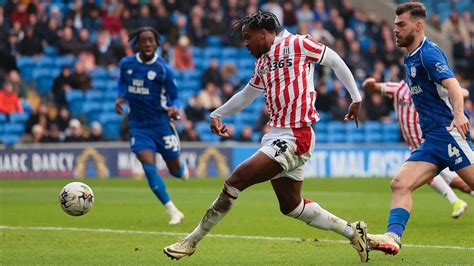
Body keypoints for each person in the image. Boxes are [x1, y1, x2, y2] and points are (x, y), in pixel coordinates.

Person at [164, 11, 369, 262]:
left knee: (236, 180)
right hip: (277, 135)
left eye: (248, 38)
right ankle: (353, 231)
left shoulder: (297, 43)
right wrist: (217, 113)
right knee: (292, 206)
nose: (246, 43)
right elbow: (246, 95)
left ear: (263, 33)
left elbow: (335, 60)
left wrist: (356, 98)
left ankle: (191, 241)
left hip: (296, 135)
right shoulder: (262, 62)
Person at [367, 3, 474, 256]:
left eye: (401, 25)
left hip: (449, 134)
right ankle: (393, 237)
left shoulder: (429, 54)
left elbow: (453, 85)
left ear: (418, 25)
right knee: (400, 183)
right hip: (431, 141)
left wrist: (458, 114)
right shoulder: (410, 56)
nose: (395, 30)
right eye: (394, 25)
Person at [363, 78, 472, 218]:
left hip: (433, 143)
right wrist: (369, 85)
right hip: (421, 147)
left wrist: (460, 91)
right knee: (405, 183)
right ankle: (456, 202)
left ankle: (456, 202)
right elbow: (374, 88)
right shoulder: (398, 88)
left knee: (461, 183)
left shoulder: (428, 89)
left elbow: (458, 91)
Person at [115, 26, 189, 225]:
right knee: (148, 168)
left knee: (175, 171)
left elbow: (175, 97)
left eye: (151, 40)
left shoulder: (164, 69)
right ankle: (173, 210)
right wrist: (120, 97)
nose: (147, 43)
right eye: (143, 40)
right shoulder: (127, 64)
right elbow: (122, 83)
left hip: (162, 124)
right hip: (139, 126)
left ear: (156, 43)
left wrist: (175, 108)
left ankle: (181, 169)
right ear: (137, 44)